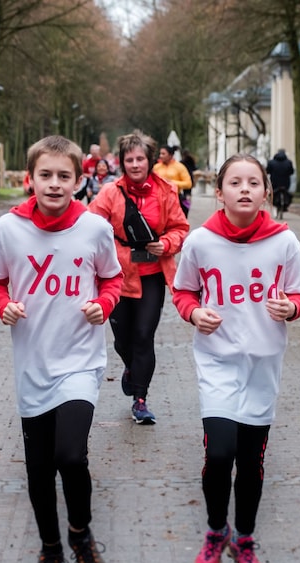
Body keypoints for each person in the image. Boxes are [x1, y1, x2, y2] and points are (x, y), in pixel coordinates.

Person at [0, 135, 123, 563]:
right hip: (32, 364)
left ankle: (80, 534)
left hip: (80, 360)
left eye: (64, 176)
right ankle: (50, 550)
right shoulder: (8, 229)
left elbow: (112, 279)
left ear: (79, 180)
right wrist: (2, 305)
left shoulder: (95, 228)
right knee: (39, 470)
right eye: (46, 175)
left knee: (70, 455)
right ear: (31, 178)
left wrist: (103, 304)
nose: (55, 184)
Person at [172, 154, 300, 563]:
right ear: (219, 192)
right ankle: (217, 531)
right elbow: (183, 292)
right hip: (217, 361)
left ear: (266, 191)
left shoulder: (285, 242)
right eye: (235, 182)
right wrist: (195, 313)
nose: (245, 189)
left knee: (250, 462)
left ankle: (244, 539)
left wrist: (290, 308)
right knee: (219, 453)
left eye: (253, 182)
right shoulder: (200, 241)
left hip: (263, 365)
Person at [88, 131, 189, 425]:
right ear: (122, 162)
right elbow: (90, 225)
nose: (135, 164)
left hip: (152, 274)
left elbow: (180, 228)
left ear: (149, 160)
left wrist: (166, 243)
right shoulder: (110, 192)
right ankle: (130, 367)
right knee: (122, 340)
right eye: (129, 159)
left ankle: (140, 399)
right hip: (117, 275)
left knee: (144, 335)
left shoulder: (166, 191)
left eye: (140, 159)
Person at [152, 144, 193, 216]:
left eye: (163, 154)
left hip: (176, 198)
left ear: (170, 155)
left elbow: (188, 184)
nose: (160, 156)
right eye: (160, 153)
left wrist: (171, 182)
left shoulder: (180, 167)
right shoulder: (156, 167)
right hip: (158, 199)